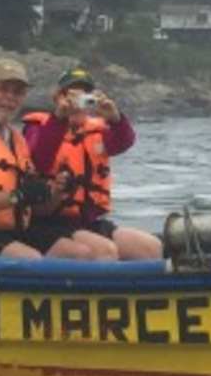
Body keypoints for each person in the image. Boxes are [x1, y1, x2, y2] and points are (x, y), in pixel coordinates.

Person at [0, 58, 108, 260]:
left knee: (81, 253)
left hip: (17, 230)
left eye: (17, 92)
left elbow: (37, 209)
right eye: (3, 89)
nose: (10, 97)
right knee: (31, 258)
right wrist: (17, 196)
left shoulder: (17, 139)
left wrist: (55, 193)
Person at [24, 67, 161, 261]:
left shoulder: (97, 132)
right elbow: (39, 159)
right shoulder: (39, 129)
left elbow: (124, 141)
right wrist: (60, 118)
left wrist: (115, 119)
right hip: (47, 221)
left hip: (87, 221)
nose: (77, 103)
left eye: (84, 95)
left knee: (150, 248)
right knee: (103, 251)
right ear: (58, 97)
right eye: (71, 95)